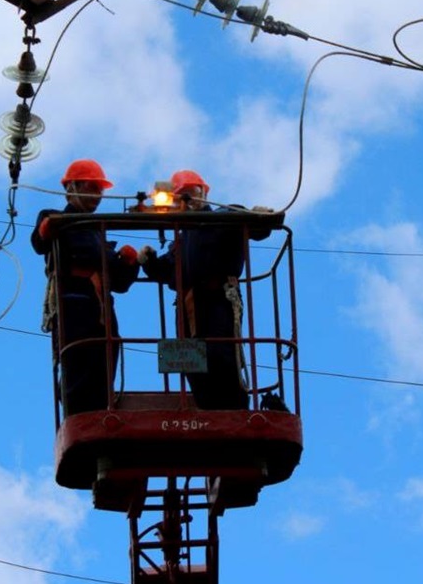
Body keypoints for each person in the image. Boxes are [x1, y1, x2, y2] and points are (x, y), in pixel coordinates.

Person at [139, 170, 271, 410]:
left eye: (192, 193)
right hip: (188, 308)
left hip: (218, 301)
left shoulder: (224, 217)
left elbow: (253, 228)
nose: (189, 199)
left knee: (221, 356)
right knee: (190, 363)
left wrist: (259, 218)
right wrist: (149, 262)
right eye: (182, 195)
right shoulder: (181, 240)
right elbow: (169, 271)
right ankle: (205, 406)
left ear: (205, 193)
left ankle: (234, 409)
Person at [31, 159, 139, 416]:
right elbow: (39, 242)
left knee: (104, 363)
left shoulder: (97, 233)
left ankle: (100, 412)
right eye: (91, 188)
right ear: (72, 187)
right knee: (79, 365)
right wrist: (47, 228)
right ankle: (80, 414)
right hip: (75, 308)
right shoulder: (59, 219)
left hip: (102, 312)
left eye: (100, 190)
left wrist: (130, 263)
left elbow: (120, 284)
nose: (97, 195)